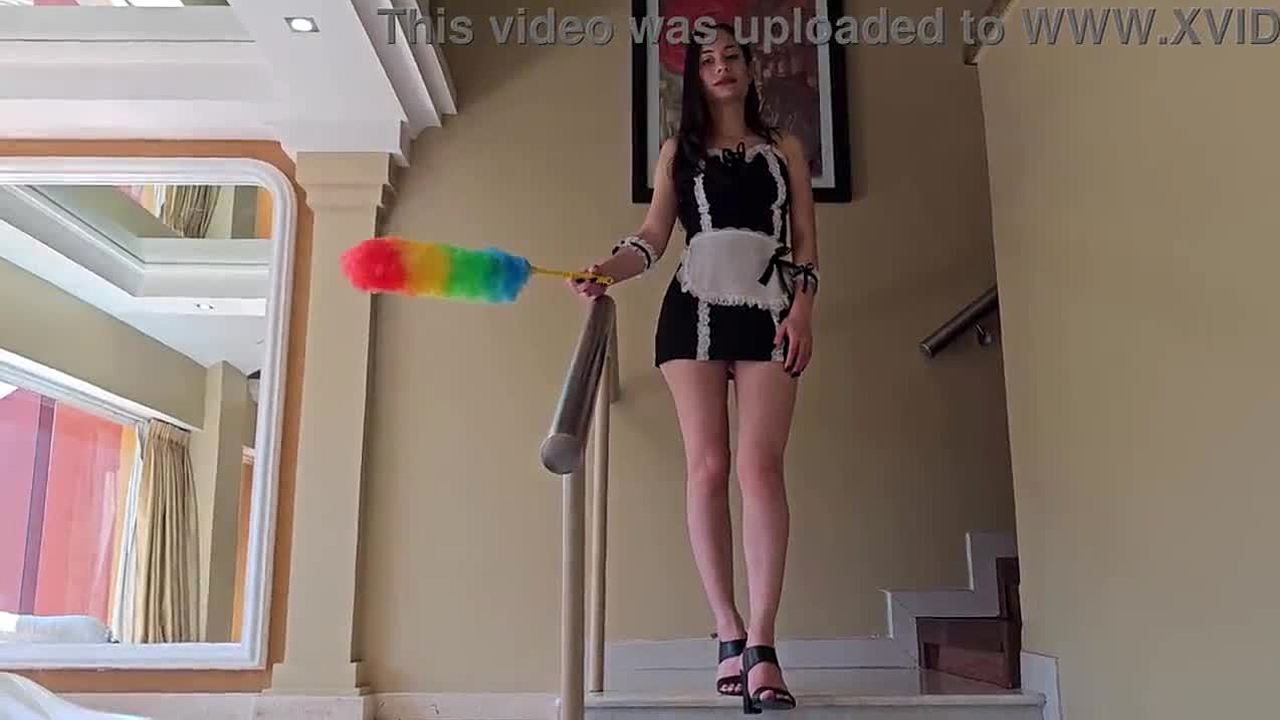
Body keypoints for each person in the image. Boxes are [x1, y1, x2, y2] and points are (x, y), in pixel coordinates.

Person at [569, 24, 818, 715]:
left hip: (771, 311)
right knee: (707, 467)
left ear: (749, 67)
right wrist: (606, 270)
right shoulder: (677, 151)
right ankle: (727, 631)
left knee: (760, 469)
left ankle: (763, 643)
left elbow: (805, 241)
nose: (722, 66)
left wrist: (803, 311)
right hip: (692, 311)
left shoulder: (785, 148)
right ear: (696, 77)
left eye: (732, 56)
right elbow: (654, 235)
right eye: (707, 60)